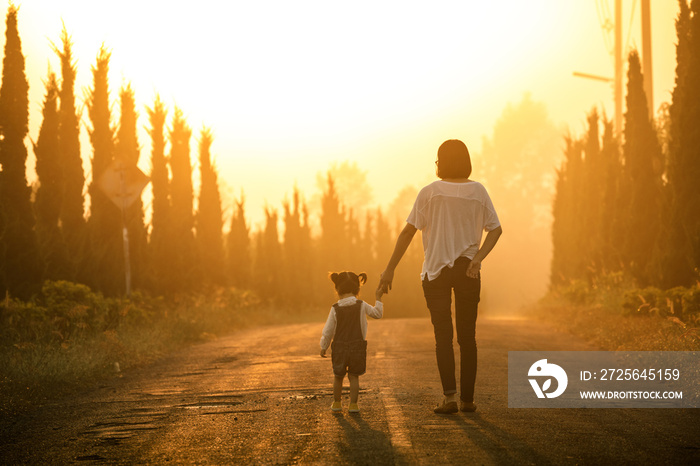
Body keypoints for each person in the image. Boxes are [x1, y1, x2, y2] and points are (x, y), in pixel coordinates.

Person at [378, 139, 502, 414]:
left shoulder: (429, 193)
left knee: (443, 336)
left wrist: (390, 269)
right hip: (468, 270)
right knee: (468, 338)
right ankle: (468, 401)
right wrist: (478, 259)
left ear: (441, 162)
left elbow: (407, 232)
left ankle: (450, 398)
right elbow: (495, 229)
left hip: (435, 273)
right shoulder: (478, 191)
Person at [320, 271, 384, 413]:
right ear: (357, 289)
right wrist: (378, 298)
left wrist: (323, 346)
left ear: (337, 289)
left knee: (338, 376)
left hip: (339, 347)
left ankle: (337, 404)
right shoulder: (361, 305)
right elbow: (377, 314)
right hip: (357, 346)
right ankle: (353, 405)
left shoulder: (335, 308)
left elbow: (328, 330)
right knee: (354, 376)